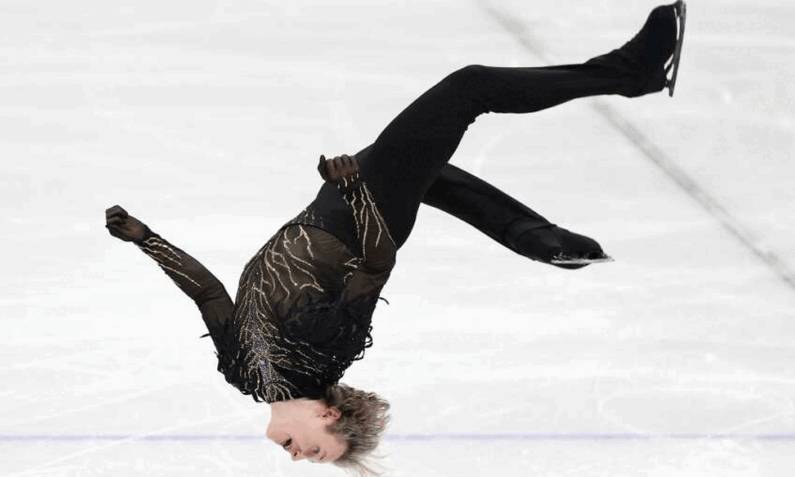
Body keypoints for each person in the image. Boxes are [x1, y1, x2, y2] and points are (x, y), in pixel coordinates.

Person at [104, 2, 686, 475]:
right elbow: (377, 263)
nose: (300, 458)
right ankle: (631, 72)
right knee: (469, 88)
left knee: (427, 169)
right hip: (364, 214)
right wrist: (358, 195)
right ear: (330, 417)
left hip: (336, 201)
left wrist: (146, 239)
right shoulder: (325, 352)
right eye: (320, 454)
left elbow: (208, 294)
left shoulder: (242, 374)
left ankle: (537, 238)